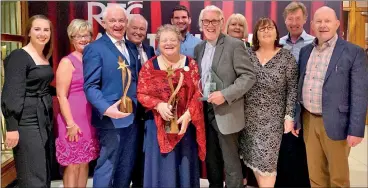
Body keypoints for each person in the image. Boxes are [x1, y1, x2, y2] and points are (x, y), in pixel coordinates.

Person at [295, 6, 368, 187]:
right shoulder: (305, 51)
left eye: (327, 21)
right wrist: (297, 118)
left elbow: (359, 93)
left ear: (337, 23)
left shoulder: (353, 52)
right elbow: (299, 87)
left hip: (337, 123)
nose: (323, 25)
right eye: (318, 21)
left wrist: (356, 129)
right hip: (309, 120)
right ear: (312, 25)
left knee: (338, 178)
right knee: (315, 175)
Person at [137, 24, 206, 187]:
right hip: (158, 125)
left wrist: (189, 114)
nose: (168, 43)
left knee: (184, 169)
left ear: (180, 41)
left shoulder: (191, 64)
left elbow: (198, 92)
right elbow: (141, 93)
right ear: (158, 42)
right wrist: (158, 105)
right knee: (162, 170)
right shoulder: (149, 66)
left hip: (184, 125)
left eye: (173, 40)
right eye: (164, 40)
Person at [194, 5, 256, 188]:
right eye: (206, 21)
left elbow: (248, 76)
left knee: (231, 163)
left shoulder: (234, 45)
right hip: (205, 113)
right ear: (201, 24)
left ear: (222, 23)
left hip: (227, 112)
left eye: (215, 21)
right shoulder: (199, 48)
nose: (210, 25)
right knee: (211, 162)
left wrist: (225, 95)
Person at [83, 5, 138, 187]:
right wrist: (106, 109)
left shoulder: (131, 47)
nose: (117, 24)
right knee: (108, 164)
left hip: (132, 118)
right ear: (104, 23)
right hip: (110, 119)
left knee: (126, 165)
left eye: (121, 20)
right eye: (113, 21)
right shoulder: (95, 49)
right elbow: (90, 86)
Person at [238, 17, 298, 188]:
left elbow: (293, 89)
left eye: (270, 27)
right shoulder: (247, 55)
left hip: (273, 122)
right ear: (256, 34)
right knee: (252, 161)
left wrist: (289, 116)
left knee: (267, 165)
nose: (266, 31)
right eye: (262, 28)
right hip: (247, 119)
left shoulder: (286, 57)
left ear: (276, 33)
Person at [1, 14, 54, 187]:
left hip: (43, 119)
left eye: (46, 30)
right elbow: (11, 93)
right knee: (32, 172)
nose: (42, 33)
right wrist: (12, 127)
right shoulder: (19, 56)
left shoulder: (44, 56)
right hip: (26, 121)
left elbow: (41, 85)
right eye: (37, 29)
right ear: (29, 32)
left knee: (43, 169)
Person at [55, 19, 99, 188]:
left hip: (89, 119)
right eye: (78, 36)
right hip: (72, 120)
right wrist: (70, 124)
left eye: (86, 35)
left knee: (84, 162)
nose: (83, 39)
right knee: (72, 164)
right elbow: (61, 96)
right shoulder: (67, 62)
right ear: (71, 38)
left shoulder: (91, 60)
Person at [276, 2, 313, 187]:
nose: (294, 22)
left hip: (304, 105)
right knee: (283, 148)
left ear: (305, 19)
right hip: (280, 104)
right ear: (285, 20)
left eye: (298, 18)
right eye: (290, 19)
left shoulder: (313, 43)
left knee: (302, 149)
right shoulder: (279, 43)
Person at [125, 14, 155, 187]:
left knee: (144, 155)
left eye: (142, 29)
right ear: (127, 29)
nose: (138, 32)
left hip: (148, 112)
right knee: (130, 156)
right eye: (134, 28)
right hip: (129, 110)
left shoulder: (149, 50)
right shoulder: (122, 49)